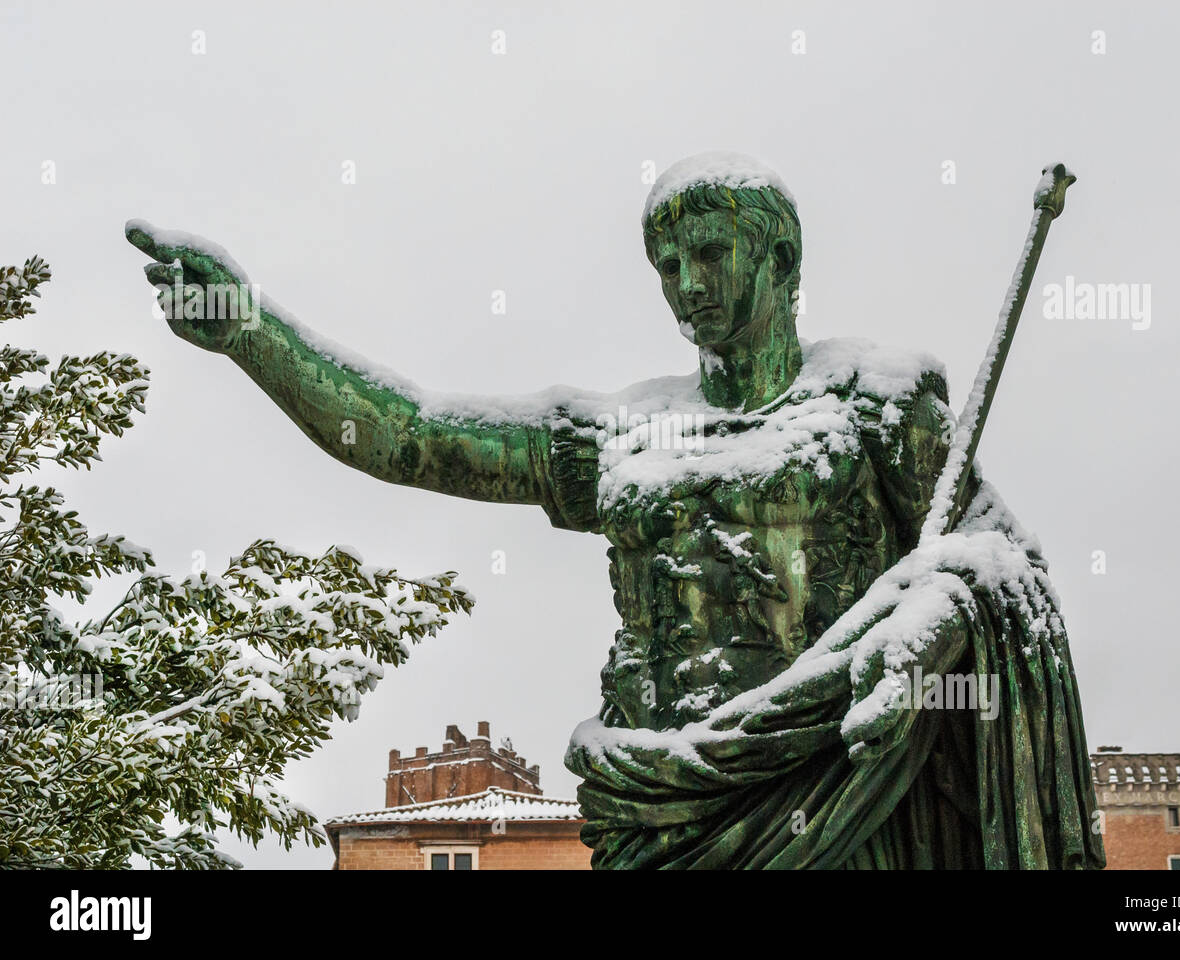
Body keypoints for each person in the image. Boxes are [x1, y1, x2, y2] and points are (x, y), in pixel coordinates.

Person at [128, 152, 1103, 869]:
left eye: (708, 253)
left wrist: (927, 627)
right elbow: (411, 434)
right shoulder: (624, 433)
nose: (685, 285)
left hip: (839, 799)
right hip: (661, 815)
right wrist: (253, 335)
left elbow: (996, 564)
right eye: (666, 265)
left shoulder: (871, 407)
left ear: (781, 257)